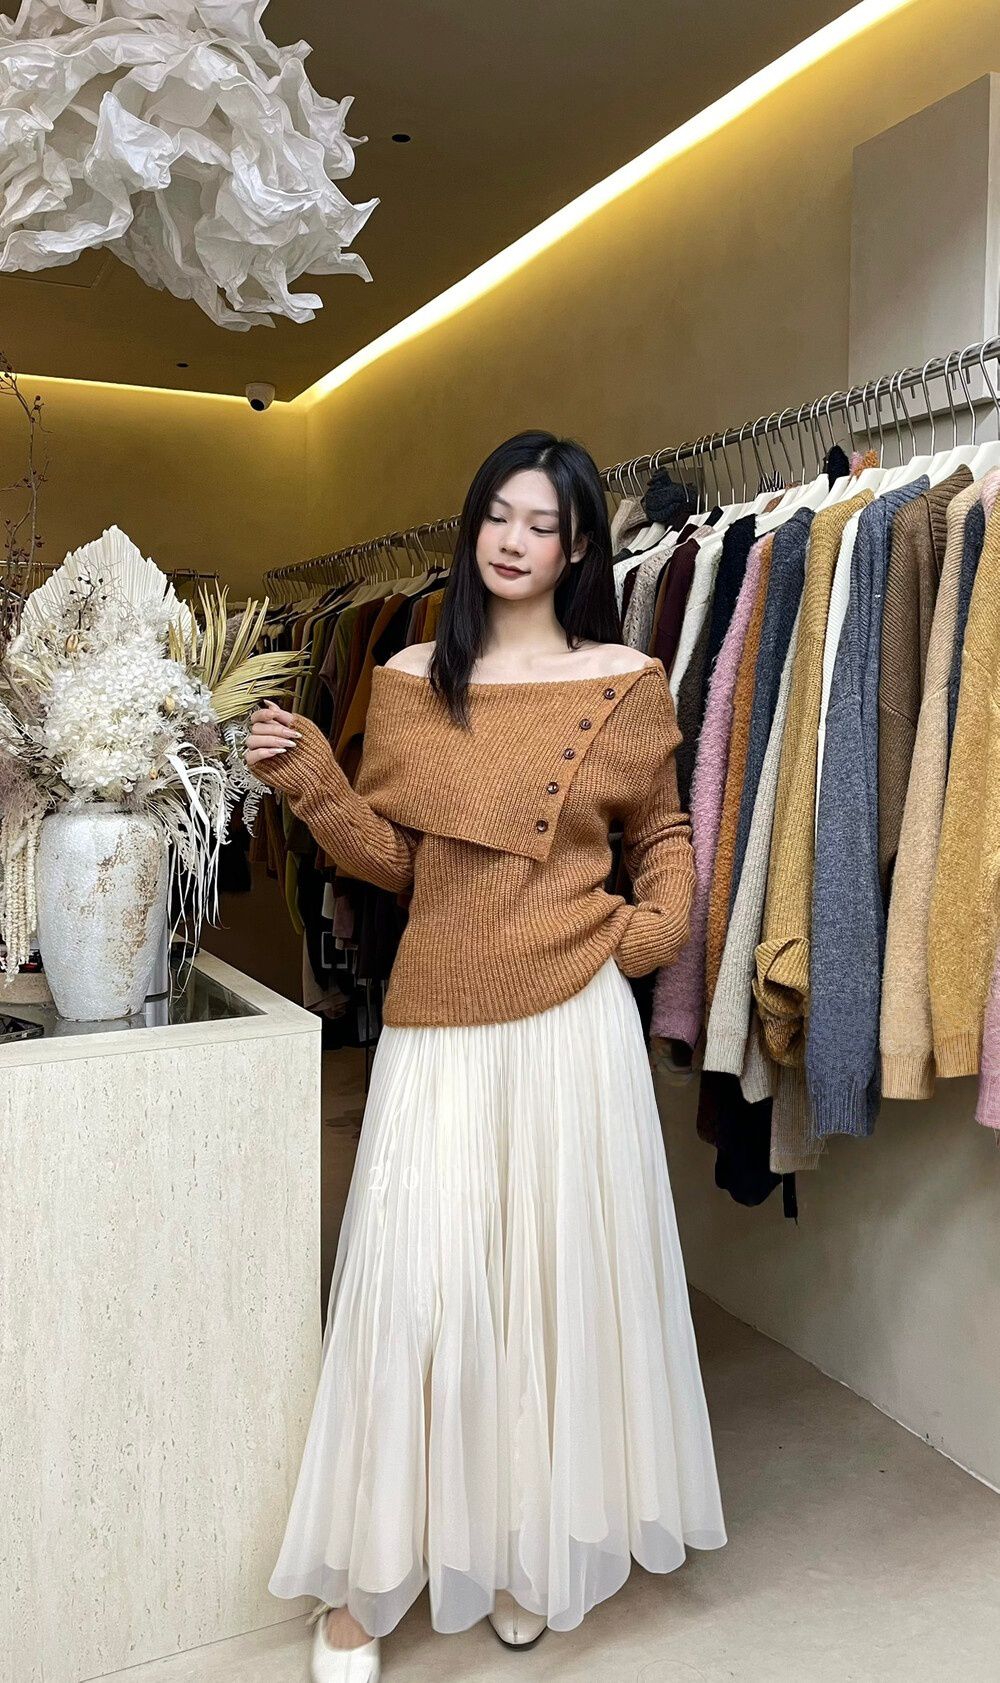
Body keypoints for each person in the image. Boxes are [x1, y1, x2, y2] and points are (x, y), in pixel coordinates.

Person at [246, 430, 726, 1683]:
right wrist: (314, 785)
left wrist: (656, 930)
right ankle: (363, 1588)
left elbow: (661, 833)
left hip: (572, 1019)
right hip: (439, 1020)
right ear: (472, 528)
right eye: (497, 516)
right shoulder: (412, 676)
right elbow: (400, 868)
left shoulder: (625, 679)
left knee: (549, 1294)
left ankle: (524, 1553)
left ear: (577, 549)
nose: (514, 541)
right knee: (417, 1296)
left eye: (542, 524)